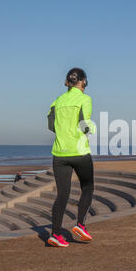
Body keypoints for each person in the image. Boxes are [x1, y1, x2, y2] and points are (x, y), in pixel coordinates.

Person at [46, 67, 96, 248]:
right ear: (83, 82)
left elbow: (51, 125)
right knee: (88, 187)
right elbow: (84, 124)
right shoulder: (85, 99)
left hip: (59, 153)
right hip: (79, 152)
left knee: (62, 195)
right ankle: (81, 225)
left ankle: (55, 235)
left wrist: (64, 132)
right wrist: (92, 130)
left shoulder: (57, 101)